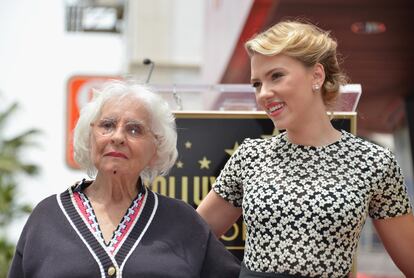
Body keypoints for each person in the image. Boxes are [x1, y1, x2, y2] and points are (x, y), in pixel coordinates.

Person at [197, 20, 414, 277]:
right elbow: (191, 241)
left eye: (276, 76)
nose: (264, 93)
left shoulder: (373, 162)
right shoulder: (250, 156)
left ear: (317, 76)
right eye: (257, 84)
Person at [8, 80, 240, 278]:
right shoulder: (47, 217)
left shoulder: (183, 221)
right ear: (90, 138)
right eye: (107, 125)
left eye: (134, 130)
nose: (118, 137)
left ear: (156, 148)